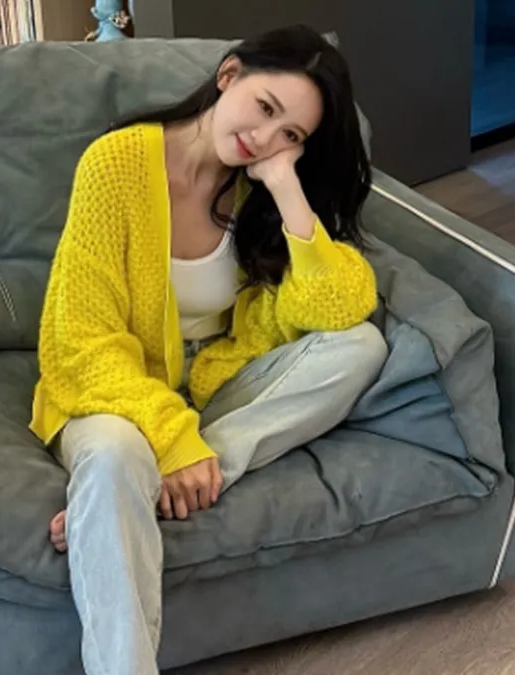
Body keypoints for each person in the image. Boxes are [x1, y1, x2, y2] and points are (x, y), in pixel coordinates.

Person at [29, 24, 389, 675]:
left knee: (360, 347)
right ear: (229, 76)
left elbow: (337, 308)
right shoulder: (115, 165)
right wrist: (170, 438)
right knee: (112, 456)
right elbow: (82, 341)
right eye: (265, 107)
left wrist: (286, 188)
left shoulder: (259, 191)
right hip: (116, 391)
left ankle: (147, 491)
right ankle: (134, 490)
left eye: (290, 135)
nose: (265, 137)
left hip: (215, 389)